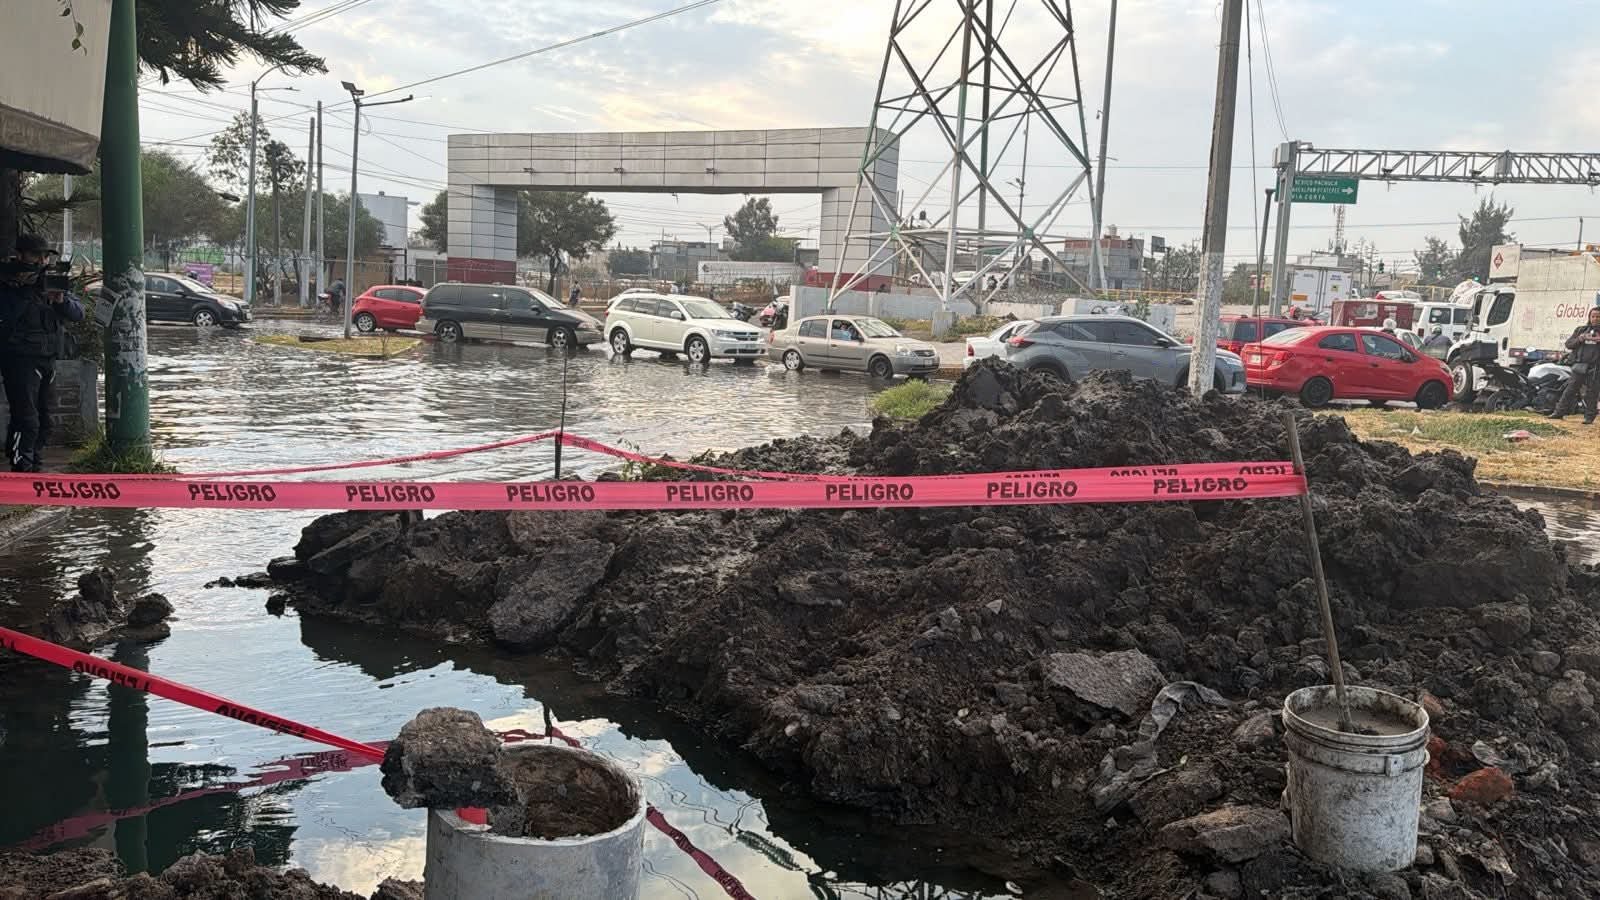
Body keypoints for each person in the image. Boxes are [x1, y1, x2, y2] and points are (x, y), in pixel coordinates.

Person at [0, 234, 84, 472]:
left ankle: (33, 461)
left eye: (45, 255)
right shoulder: (8, 282)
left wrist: (59, 300)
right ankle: (21, 465)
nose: (42, 260)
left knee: (45, 419)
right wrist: (25, 289)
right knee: (26, 418)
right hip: (19, 359)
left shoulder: (52, 280)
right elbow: (7, 317)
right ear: (21, 255)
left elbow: (78, 313)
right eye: (36, 255)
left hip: (48, 359)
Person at [1549, 306, 1600, 424]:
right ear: (1589, 317)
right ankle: (1558, 413)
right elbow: (1569, 344)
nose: (1595, 319)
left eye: (1598, 317)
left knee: (1592, 394)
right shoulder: (1581, 330)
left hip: (1596, 368)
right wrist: (1580, 339)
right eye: (1593, 316)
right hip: (1579, 367)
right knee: (1569, 390)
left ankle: (1589, 418)